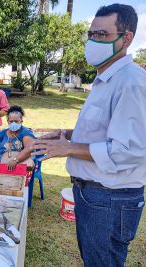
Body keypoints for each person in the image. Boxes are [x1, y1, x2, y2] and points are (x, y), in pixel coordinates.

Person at [32, 4, 145, 266]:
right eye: (91, 33)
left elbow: (128, 151)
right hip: (96, 196)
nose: (93, 40)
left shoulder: (131, 82)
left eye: (102, 35)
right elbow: (105, 131)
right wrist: (67, 134)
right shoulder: (107, 79)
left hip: (110, 198)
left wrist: (67, 148)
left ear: (125, 39)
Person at [0, 106, 35, 172]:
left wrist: (15, 160)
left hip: (21, 166)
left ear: (21, 121)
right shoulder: (3, 133)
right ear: (8, 121)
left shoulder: (26, 133)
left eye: (16, 121)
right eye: (11, 121)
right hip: (2, 165)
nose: (14, 123)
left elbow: (29, 149)